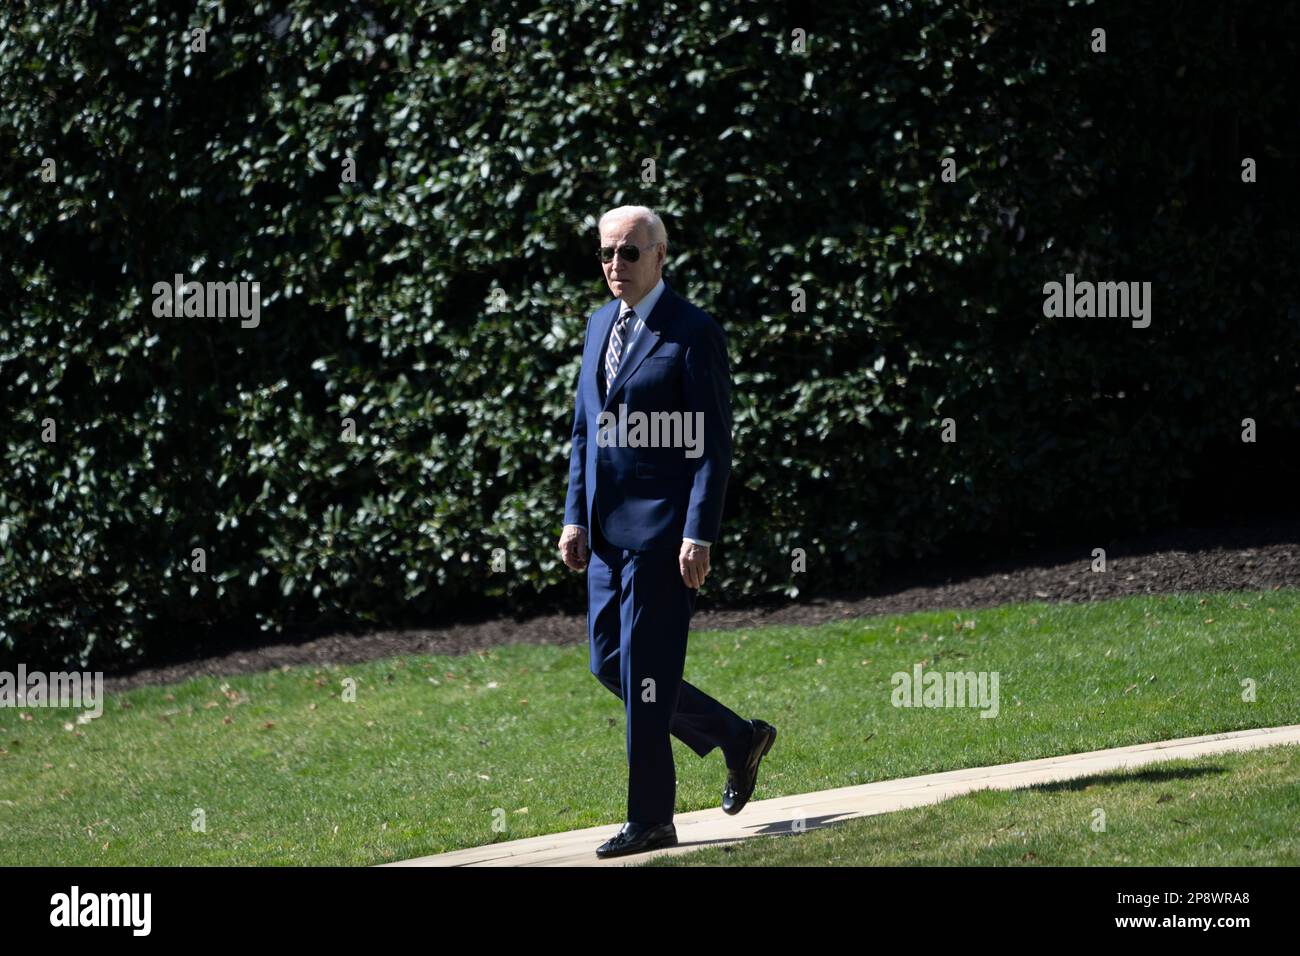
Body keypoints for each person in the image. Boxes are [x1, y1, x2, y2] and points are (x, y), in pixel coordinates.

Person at [559, 205, 777, 859]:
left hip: (663, 537)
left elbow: (713, 444)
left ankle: (651, 818)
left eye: (629, 253)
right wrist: (573, 515)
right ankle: (738, 739)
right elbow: (583, 433)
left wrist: (699, 533)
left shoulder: (692, 332)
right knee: (611, 664)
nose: (614, 265)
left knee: (649, 675)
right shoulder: (601, 325)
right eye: (605, 254)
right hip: (603, 534)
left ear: (660, 256)